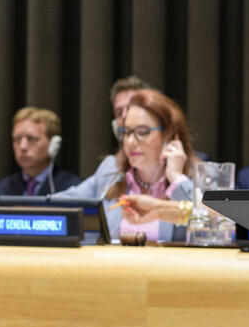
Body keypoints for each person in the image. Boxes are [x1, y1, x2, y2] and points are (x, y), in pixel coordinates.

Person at [54, 89, 196, 242]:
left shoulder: (196, 174)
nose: (130, 142)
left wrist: (176, 178)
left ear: (169, 135)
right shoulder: (112, 170)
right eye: (127, 132)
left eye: (142, 132)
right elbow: (63, 203)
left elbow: (211, 213)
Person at [0, 107, 81, 202]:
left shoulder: (74, 189)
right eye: (17, 139)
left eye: (31, 139)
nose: (22, 146)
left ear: (53, 143)